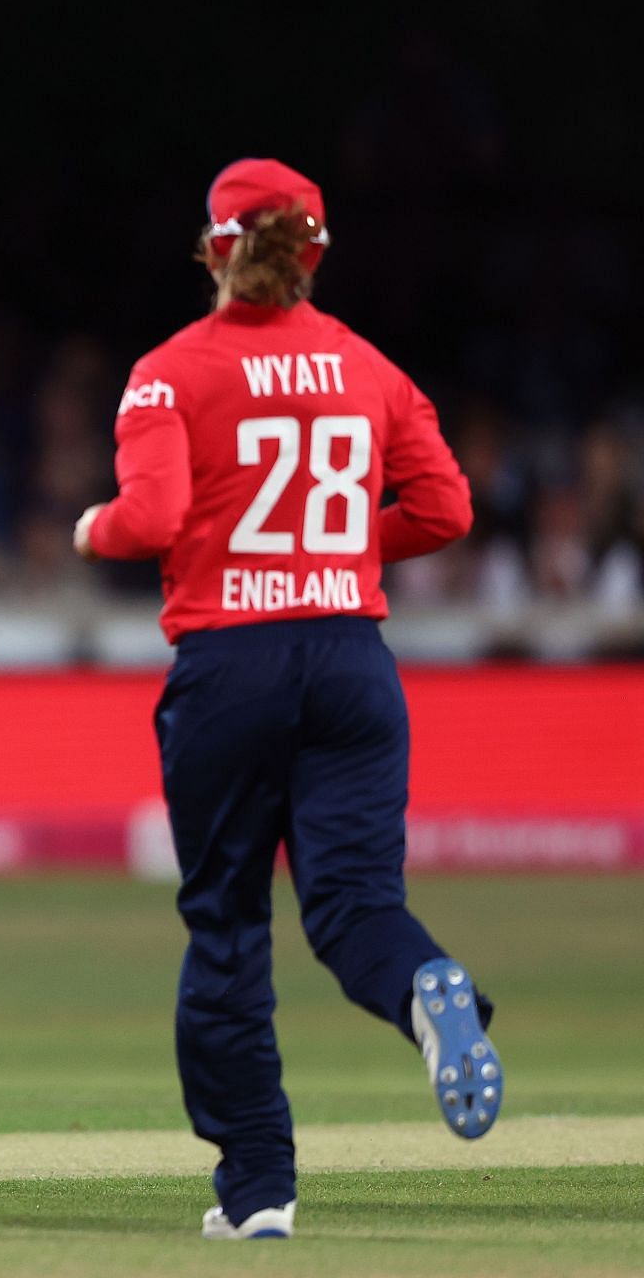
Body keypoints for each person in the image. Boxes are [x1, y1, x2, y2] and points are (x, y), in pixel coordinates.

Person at [72, 157, 502, 1240]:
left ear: (218, 250)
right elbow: (446, 507)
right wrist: (343, 543)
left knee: (226, 925)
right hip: (354, 660)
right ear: (312, 251)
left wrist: (91, 530)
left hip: (232, 669)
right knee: (356, 906)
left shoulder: (169, 373)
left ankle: (259, 1187)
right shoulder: (369, 365)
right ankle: (431, 984)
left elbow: (153, 513)